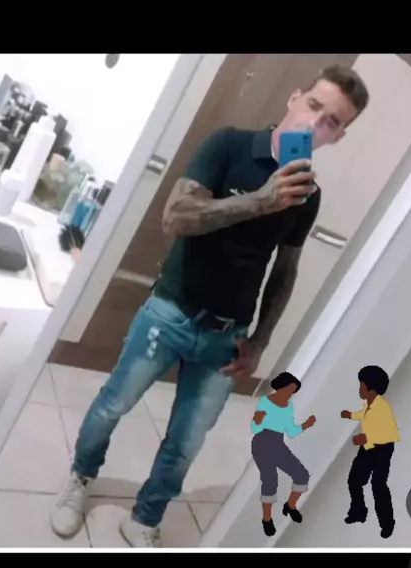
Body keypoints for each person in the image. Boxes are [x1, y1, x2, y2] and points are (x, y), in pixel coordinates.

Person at [50, 64, 370, 548]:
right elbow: (175, 218)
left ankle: (145, 518)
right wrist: (260, 201)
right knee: (113, 405)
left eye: (331, 122)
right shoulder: (228, 145)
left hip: (228, 335)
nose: (314, 124)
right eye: (314, 106)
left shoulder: (308, 197)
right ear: (294, 98)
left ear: (339, 137)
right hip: (170, 312)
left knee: (186, 442)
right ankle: (80, 477)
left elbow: (285, 271)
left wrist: (260, 341)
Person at [251, 372, 316, 536]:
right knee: (270, 481)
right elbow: (255, 429)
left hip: (277, 444)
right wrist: (258, 420)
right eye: (288, 389)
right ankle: (267, 519)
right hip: (262, 443)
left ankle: (290, 505)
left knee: (302, 475)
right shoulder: (266, 402)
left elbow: (291, 431)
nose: (289, 393)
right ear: (280, 386)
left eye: (292, 391)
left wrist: (306, 425)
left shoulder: (288, 407)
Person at [340, 365, 400, 539]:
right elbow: (364, 415)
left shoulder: (382, 408)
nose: (359, 389)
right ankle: (358, 511)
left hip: (382, 449)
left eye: (361, 385)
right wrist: (350, 415)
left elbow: (387, 433)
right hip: (368, 447)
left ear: (369, 387)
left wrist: (365, 438)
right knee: (354, 480)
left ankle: (387, 524)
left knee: (378, 485)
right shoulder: (369, 404)